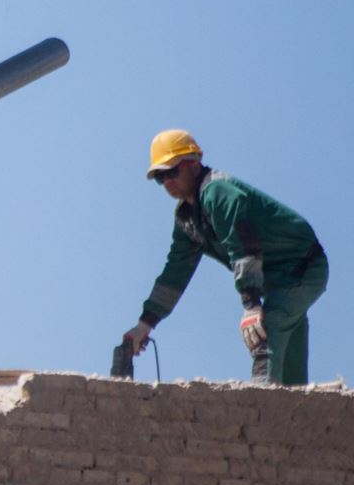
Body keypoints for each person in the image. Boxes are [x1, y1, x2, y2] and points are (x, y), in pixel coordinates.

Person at [123, 129, 327, 386]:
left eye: (172, 172)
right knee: (291, 370)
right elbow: (175, 273)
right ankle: (298, 415)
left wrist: (251, 305)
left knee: (265, 330)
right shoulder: (187, 217)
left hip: (303, 267)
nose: (167, 182)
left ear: (194, 164)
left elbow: (245, 248)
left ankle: (261, 405)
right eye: (160, 177)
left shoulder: (217, 191)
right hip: (278, 282)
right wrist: (145, 325)